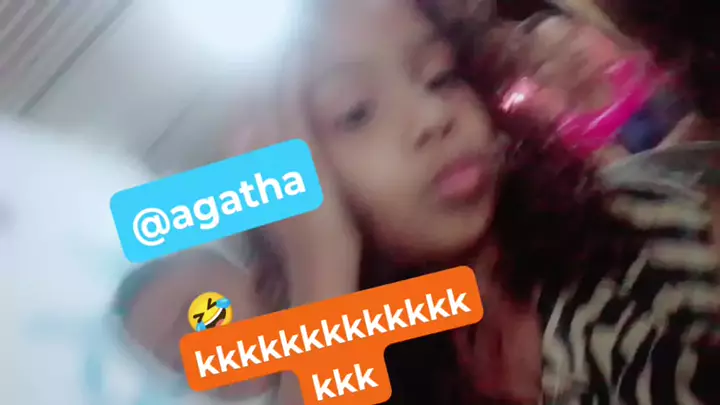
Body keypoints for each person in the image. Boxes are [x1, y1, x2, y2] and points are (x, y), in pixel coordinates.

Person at [120, 1, 720, 404]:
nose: (433, 116)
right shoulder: (412, 351)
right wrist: (323, 266)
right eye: (357, 112)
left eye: (439, 76)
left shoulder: (624, 236)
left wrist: (318, 269)